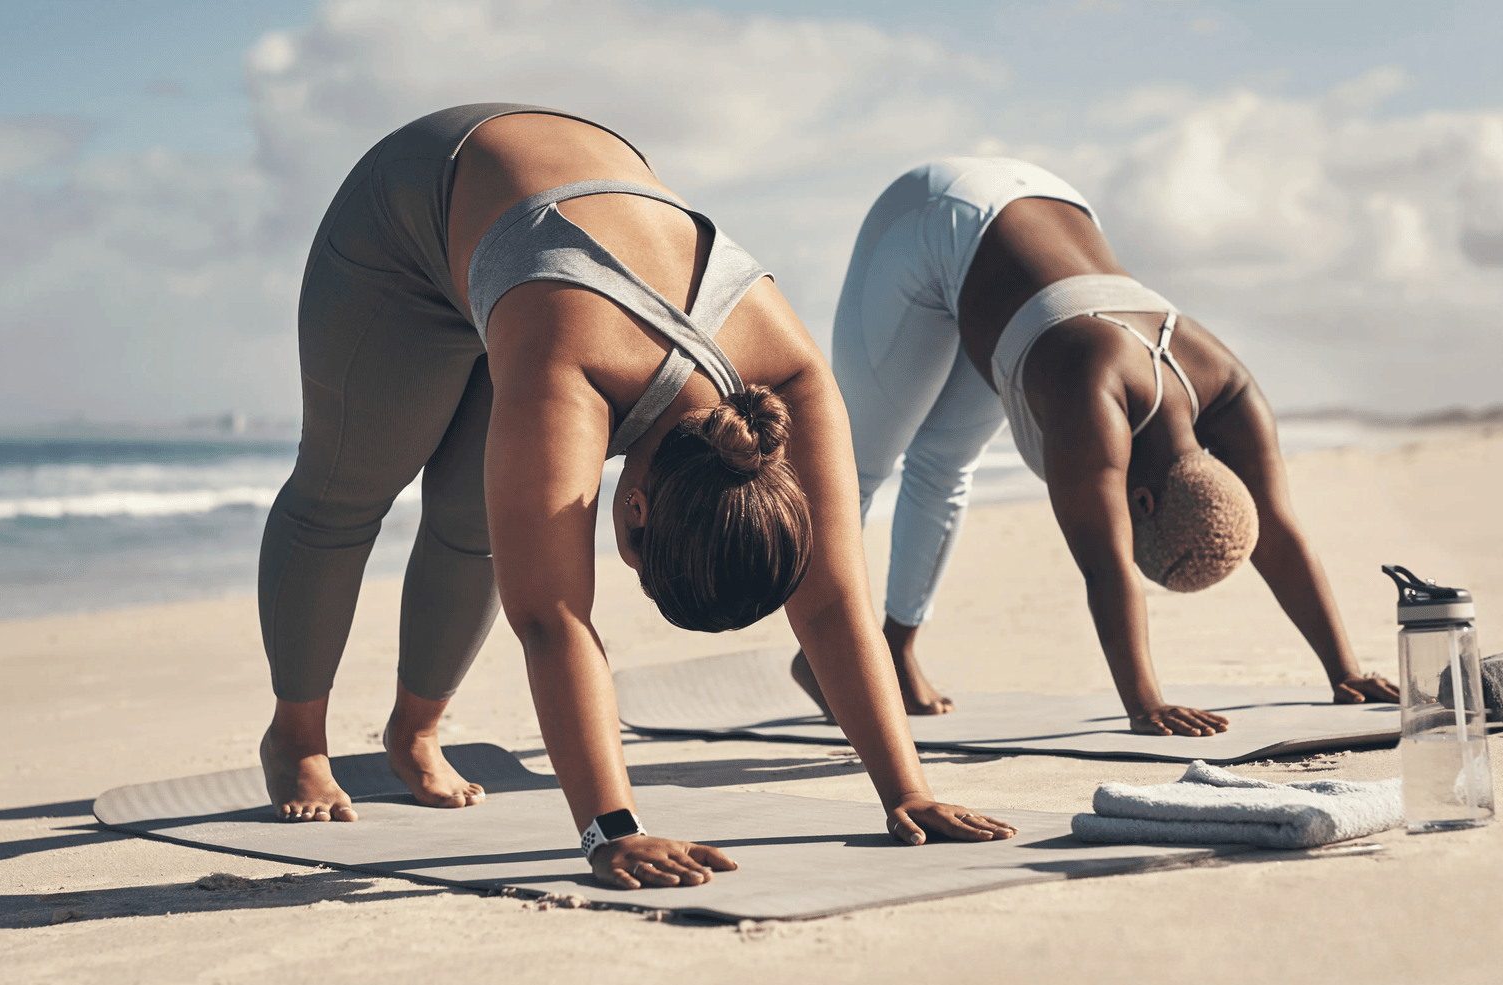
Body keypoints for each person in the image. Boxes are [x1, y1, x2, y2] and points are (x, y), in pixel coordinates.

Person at [257, 105, 1014, 890]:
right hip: (409, 213)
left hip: (542, 229)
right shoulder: (572, 360)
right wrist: (613, 829)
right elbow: (554, 619)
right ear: (638, 512)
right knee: (345, 490)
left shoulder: (790, 380)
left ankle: (413, 734)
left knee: (475, 523)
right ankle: (297, 741)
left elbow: (831, 603)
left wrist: (908, 790)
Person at [794, 157, 1398, 735]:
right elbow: (1106, 568)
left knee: (944, 464)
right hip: (931, 215)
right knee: (851, 467)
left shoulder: (1230, 389)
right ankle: (823, 653)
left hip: (1039, 202)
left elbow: (1280, 529)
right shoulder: (1091, 396)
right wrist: (1146, 703)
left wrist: (1344, 670)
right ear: (1144, 503)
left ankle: (895, 650)